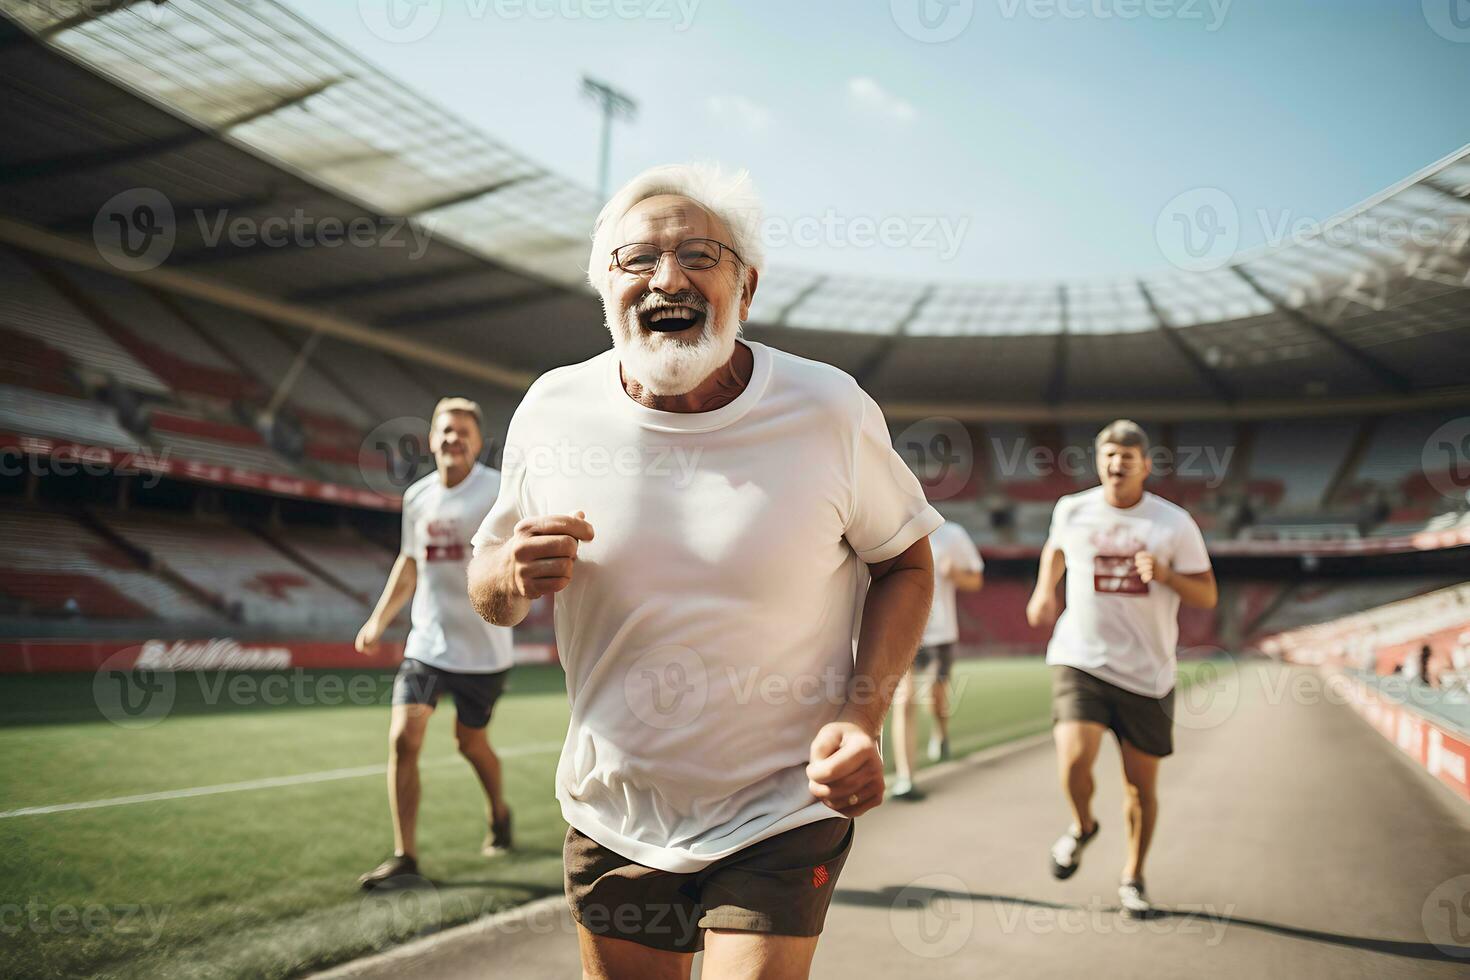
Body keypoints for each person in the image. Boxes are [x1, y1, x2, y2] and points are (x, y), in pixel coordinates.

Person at [466, 163, 941, 979]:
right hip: (614, 809)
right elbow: (490, 586)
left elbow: (905, 562)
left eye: (699, 256)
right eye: (636, 260)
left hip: (782, 809)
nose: (667, 278)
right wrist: (509, 574)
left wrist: (861, 719)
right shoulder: (552, 409)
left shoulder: (827, 409)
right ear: (604, 290)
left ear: (745, 287)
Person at [1026, 420, 1217, 917]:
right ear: (1099, 461)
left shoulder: (1173, 524)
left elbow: (1207, 593)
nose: (1117, 465)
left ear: (1145, 466)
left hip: (1147, 672)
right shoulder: (1072, 509)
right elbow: (1056, 549)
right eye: (1109, 456)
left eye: (1127, 458)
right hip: (1081, 656)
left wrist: (1169, 575)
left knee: (1139, 787)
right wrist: (1045, 589)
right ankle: (1083, 825)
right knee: (1073, 760)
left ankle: (1132, 876)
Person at [355, 398, 516, 888]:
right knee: (404, 738)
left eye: (463, 431)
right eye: (445, 430)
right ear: (431, 439)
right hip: (426, 643)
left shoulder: (497, 490)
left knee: (470, 744)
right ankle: (406, 856)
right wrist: (379, 621)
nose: (453, 439)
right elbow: (409, 563)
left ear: (475, 440)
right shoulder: (417, 499)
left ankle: (498, 810)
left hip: (483, 651)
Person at [890, 520, 984, 799]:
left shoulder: (951, 534)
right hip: (905, 632)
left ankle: (941, 733)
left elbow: (976, 578)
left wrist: (955, 573)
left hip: (940, 634)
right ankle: (906, 778)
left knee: (936, 699)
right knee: (904, 701)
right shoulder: (892, 530)